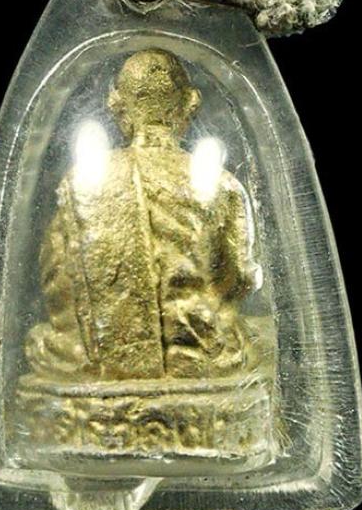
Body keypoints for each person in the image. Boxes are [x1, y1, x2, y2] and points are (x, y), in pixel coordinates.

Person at [25, 49, 260, 382]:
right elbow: (241, 279)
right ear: (190, 104)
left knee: (43, 344)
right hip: (199, 349)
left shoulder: (82, 180)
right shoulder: (223, 184)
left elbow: (57, 278)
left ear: (117, 105)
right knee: (258, 338)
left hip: (98, 352)